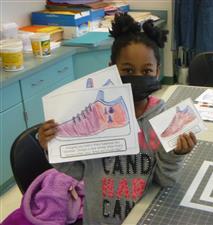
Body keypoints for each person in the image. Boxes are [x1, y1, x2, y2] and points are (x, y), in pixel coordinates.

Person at [38, 13, 197, 225]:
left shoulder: (162, 118)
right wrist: (52, 147)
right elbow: (79, 171)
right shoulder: (95, 116)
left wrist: (176, 154)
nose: (137, 77)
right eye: (128, 70)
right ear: (111, 68)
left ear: (157, 72)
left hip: (143, 218)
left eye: (147, 70)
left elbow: (164, 179)